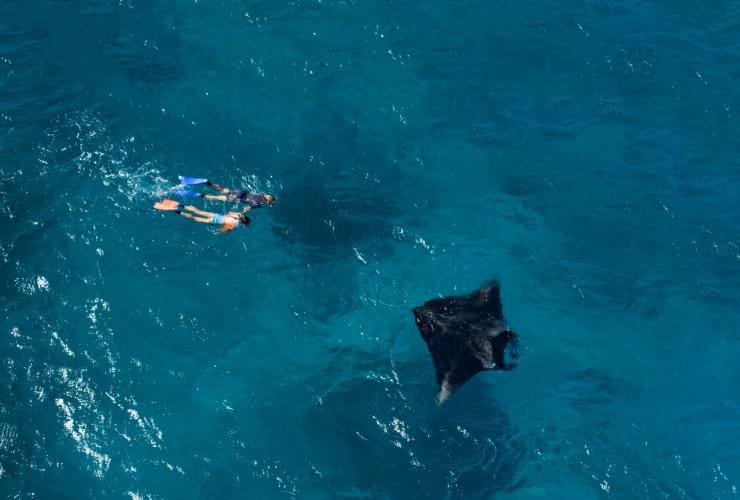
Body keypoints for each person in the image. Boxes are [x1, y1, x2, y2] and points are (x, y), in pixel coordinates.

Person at [154, 199, 250, 234]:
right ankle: (176, 211)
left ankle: (179, 204)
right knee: (196, 218)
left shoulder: (237, 215)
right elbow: (224, 229)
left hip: (217, 215)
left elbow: (229, 213)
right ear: (243, 223)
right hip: (215, 220)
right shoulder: (234, 225)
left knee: (198, 211)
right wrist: (217, 232)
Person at [200, 180, 275, 210]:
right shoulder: (261, 204)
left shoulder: (263, 194)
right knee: (219, 198)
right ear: (267, 202)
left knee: (223, 190)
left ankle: (208, 183)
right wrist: (243, 212)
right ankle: (202, 195)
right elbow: (249, 207)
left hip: (241, 192)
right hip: (239, 197)